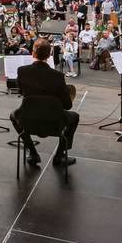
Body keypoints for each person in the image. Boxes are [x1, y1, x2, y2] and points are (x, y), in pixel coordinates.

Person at [11, 38, 79, 166]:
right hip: (54, 123)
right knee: (74, 117)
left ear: (33, 53)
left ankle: (32, 152)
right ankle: (59, 155)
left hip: (29, 120)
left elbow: (21, 92)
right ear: (49, 55)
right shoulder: (58, 76)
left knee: (13, 115)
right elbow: (68, 105)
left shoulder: (22, 71)